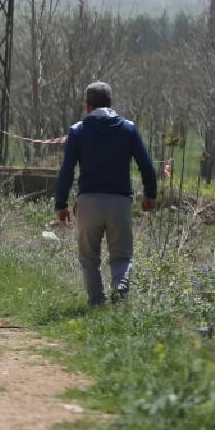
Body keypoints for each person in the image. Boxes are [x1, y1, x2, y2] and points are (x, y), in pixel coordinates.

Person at [54, 81, 157, 306]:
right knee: (121, 255)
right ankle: (120, 286)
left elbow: (67, 170)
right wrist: (150, 194)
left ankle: (96, 302)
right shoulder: (129, 129)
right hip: (120, 202)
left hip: (89, 202)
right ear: (111, 102)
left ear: (87, 105)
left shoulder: (78, 131)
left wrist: (60, 203)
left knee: (89, 258)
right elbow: (146, 165)